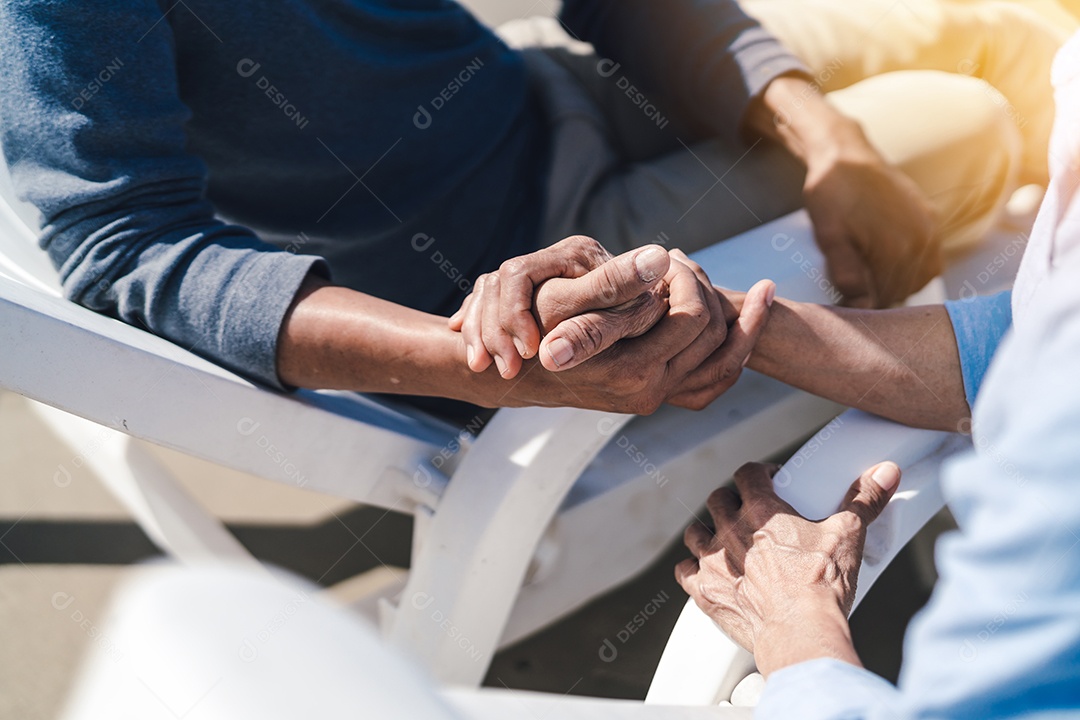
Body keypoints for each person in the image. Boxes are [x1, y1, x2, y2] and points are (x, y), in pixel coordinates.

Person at [0, 0, 1061, 417]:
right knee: (971, 122)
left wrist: (826, 139)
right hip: (507, 266)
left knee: (995, 39)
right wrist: (474, 360)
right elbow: (122, 238)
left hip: (550, 88)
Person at [460, 22, 1080, 718]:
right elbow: (1017, 347)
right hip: (545, 104)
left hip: (539, 150)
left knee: (976, 118)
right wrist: (720, 319)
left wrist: (797, 628)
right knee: (998, 46)